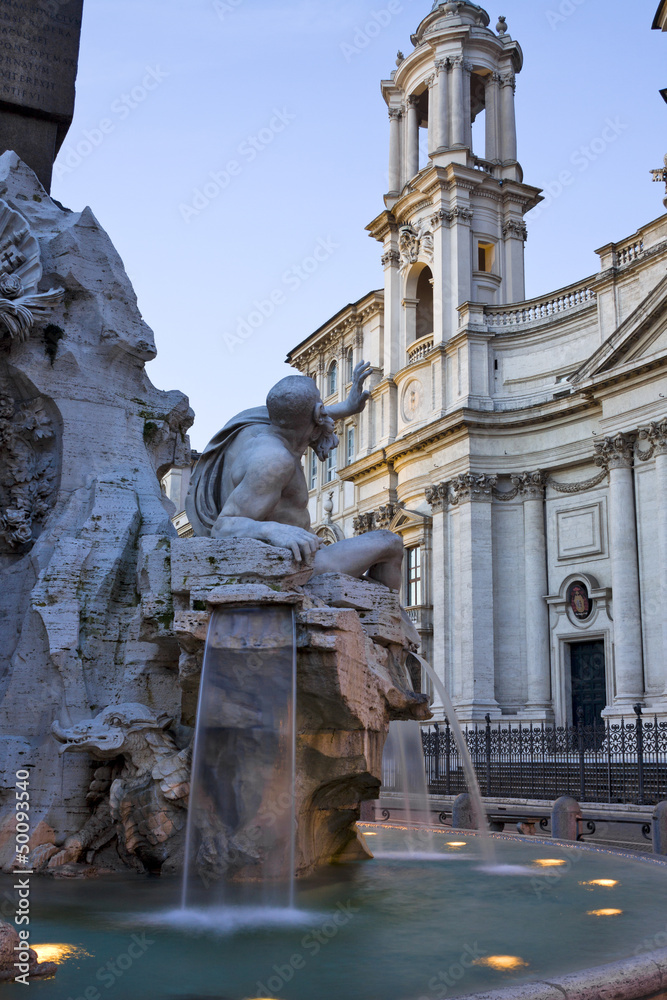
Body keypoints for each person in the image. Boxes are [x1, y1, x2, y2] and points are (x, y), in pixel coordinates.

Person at [186, 362, 404, 590]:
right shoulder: (275, 461)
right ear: (318, 414)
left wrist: (348, 407)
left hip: (299, 552)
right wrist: (275, 531)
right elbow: (223, 527)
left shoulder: (264, 424)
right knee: (390, 543)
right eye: (322, 406)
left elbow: (302, 414)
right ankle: (388, 617)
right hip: (293, 563)